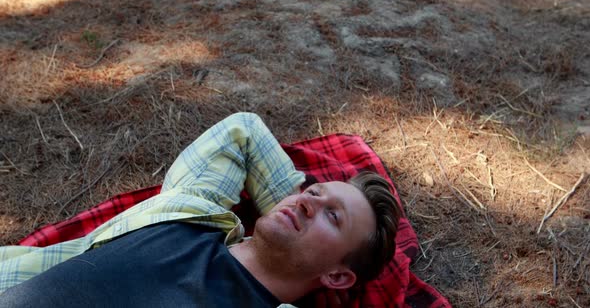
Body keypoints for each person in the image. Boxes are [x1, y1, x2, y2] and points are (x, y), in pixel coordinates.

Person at [0, 112, 400, 307]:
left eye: (333, 215)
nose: (310, 202)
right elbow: (242, 131)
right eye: (314, 192)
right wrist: (291, 197)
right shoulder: (193, 210)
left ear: (336, 275)